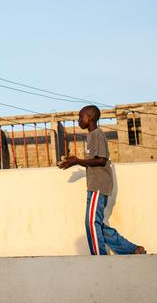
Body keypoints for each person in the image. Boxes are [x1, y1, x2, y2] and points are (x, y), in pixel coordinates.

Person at [58, 105, 147, 256]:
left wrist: (77, 161)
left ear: (90, 117)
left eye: (81, 117)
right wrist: (78, 161)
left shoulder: (97, 134)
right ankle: (132, 249)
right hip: (95, 186)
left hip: (99, 185)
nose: (79, 120)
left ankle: (99, 257)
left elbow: (101, 160)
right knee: (97, 224)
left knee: (92, 223)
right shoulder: (91, 136)